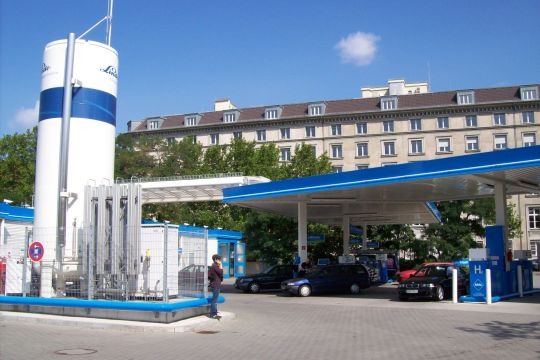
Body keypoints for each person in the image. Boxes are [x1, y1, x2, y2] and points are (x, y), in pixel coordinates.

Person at [208, 254, 223, 319]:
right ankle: (212, 314)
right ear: (215, 260)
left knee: (215, 299)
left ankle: (215, 313)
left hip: (215, 284)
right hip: (215, 285)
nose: (220, 261)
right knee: (214, 300)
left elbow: (210, 276)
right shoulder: (215, 266)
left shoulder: (214, 266)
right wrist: (221, 266)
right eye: (219, 259)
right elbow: (220, 272)